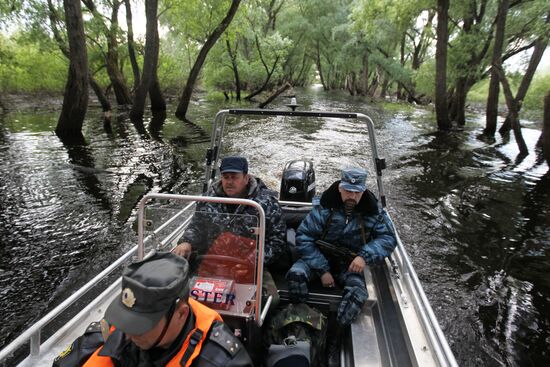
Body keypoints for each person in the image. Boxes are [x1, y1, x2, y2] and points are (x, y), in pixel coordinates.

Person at [79, 251, 253, 366]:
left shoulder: (223, 361)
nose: (129, 334)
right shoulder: (113, 333)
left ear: (181, 313)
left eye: (141, 326)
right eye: (128, 320)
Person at [285, 167, 397, 325]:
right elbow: (304, 236)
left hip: (350, 265)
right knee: (295, 275)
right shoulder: (324, 208)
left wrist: (363, 257)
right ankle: (300, 320)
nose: (352, 196)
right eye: (348, 191)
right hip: (319, 257)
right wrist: (323, 270)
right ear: (340, 188)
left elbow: (388, 238)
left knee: (357, 295)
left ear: (363, 191)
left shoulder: (374, 213)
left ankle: (335, 332)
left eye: (357, 192)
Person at [173, 156, 287, 273]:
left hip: (251, 268)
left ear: (246, 178)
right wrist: (186, 242)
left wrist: (254, 261)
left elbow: (277, 241)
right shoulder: (208, 200)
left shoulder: (267, 204)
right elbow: (196, 227)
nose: (229, 182)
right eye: (226, 177)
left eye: (234, 177)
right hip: (211, 263)